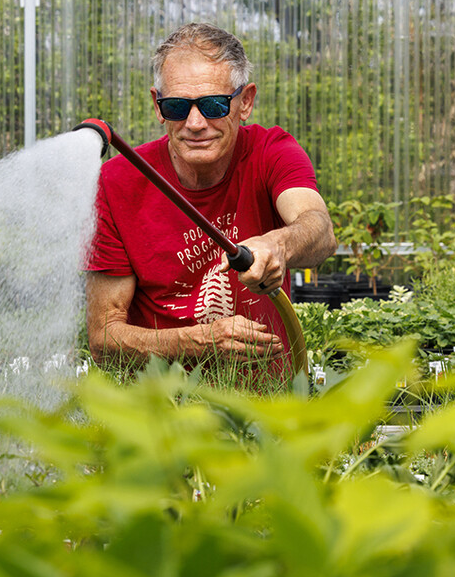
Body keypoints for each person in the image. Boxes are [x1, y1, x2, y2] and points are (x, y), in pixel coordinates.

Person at [85, 23, 336, 367]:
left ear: (245, 102)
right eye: (177, 106)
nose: (195, 122)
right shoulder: (116, 183)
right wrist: (200, 342)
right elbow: (103, 339)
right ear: (158, 107)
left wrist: (278, 245)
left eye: (214, 105)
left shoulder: (271, 152)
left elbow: (318, 228)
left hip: (265, 410)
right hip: (156, 411)